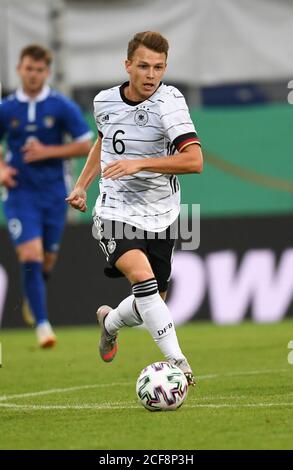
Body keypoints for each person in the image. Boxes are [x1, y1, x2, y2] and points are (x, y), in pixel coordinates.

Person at [66, 31, 203, 385]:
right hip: (114, 211)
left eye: (158, 67)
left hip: (162, 214)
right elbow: (103, 141)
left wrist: (140, 163)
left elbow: (194, 160)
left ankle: (110, 322)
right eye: (143, 66)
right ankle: (180, 364)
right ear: (128, 65)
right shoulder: (104, 102)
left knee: (150, 302)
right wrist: (82, 185)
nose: (151, 75)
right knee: (142, 280)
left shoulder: (170, 102)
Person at [0, 44, 92, 347]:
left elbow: (85, 144)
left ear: (47, 72)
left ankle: (33, 297)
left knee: (46, 261)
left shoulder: (60, 106)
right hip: (19, 194)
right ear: (19, 70)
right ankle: (43, 325)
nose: (34, 75)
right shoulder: (7, 108)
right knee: (30, 255)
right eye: (29, 69)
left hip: (54, 193)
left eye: (39, 70)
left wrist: (47, 151)